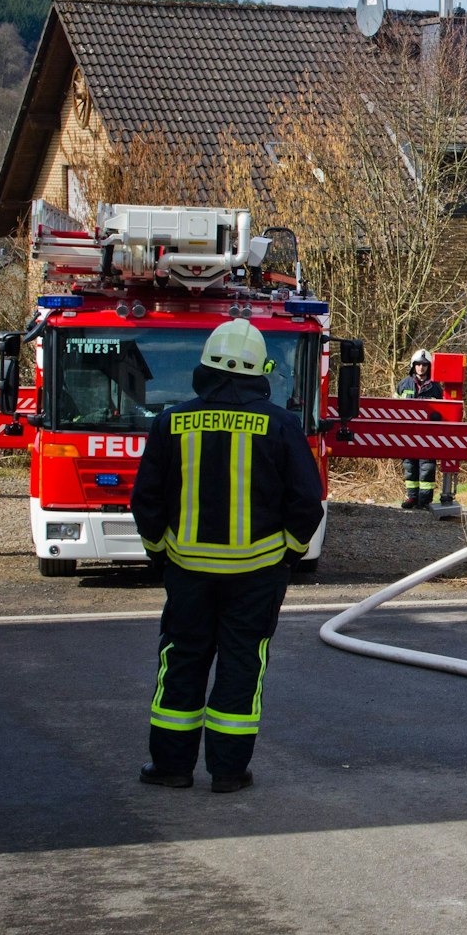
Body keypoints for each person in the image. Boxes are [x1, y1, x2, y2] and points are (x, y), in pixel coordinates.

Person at [132, 319, 324, 794]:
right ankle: (228, 771)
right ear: (260, 371)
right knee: (242, 665)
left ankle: (172, 767)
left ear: (205, 368)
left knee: (181, 661)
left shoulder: (171, 421)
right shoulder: (281, 425)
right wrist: (288, 554)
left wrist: (161, 552)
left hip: (187, 572)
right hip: (257, 574)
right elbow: (306, 502)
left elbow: (147, 502)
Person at [396, 349, 444, 509]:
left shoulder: (436, 388)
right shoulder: (403, 384)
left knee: (427, 467)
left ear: (429, 366)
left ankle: (424, 501)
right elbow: (393, 408)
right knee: (409, 467)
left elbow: (444, 412)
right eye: (418, 364)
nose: (421, 368)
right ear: (413, 365)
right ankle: (412, 497)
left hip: (429, 435)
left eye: (424, 365)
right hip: (407, 433)